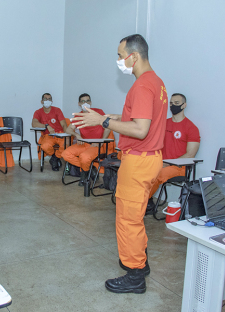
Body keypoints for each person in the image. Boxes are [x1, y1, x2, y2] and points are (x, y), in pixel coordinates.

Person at [72, 34, 167, 294]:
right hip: (150, 159)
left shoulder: (142, 86)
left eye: (119, 55)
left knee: (128, 218)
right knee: (135, 215)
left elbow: (139, 129)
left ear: (133, 56)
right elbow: (134, 118)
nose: (118, 60)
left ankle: (135, 275)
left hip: (139, 161)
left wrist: (102, 123)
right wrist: (104, 116)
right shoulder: (155, 82)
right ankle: (141, 263)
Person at [147, 93, 200, 208]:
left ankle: (141, 203)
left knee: (156, 174)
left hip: (180, 167)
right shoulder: (163, 124)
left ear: (184, 105)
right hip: (160, 162)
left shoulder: (191, 128)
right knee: (140, 170)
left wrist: (168, 163)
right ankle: (145, 201)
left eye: (176, 103)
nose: (173, 106)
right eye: (171, 103)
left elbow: (190, 154)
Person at [63, 93, 110, 185]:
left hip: (96, 145)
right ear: (79, 104)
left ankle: (84, 176)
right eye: (83, 101)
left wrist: (101, 141)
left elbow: (108, 127)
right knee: (65, 154)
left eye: (87, 100)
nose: (85, 103)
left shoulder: (98, 112)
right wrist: (77, 135)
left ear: (91, 102)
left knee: (84, 157)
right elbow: (68, 130)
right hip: (83, 143)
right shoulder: (78, 116)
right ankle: (89, 168)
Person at [31, 93, 68, 171]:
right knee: (44, 146)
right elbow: (34, 123)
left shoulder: (57, 110)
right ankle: (54, 157)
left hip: (60, 134)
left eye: (49, 99)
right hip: (48, 135)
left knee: (66, 144)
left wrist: (66, 135)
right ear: (42, 101)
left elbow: (64, 124)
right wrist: (46, 126)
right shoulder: (38, 112)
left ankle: (55, 159)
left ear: (52, 101)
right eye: (45, 99)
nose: (47, 101)